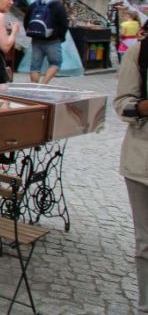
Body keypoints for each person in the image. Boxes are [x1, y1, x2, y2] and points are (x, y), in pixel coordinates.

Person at [113, 28, 148, 314]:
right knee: (146, 242)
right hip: (142, 162)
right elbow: (122, 104)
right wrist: (144, 106)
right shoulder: (140, 53)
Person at [24, 0, 69, 85]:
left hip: (36, 39)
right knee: (55, 63)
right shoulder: (58, 5)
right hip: (53, 40)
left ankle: (34, 87)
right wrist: (60, 37)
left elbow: (26, 22)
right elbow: (64, 25)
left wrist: (33, 34)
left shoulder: (34, 5)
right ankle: (43, 85)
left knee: (35, 66)